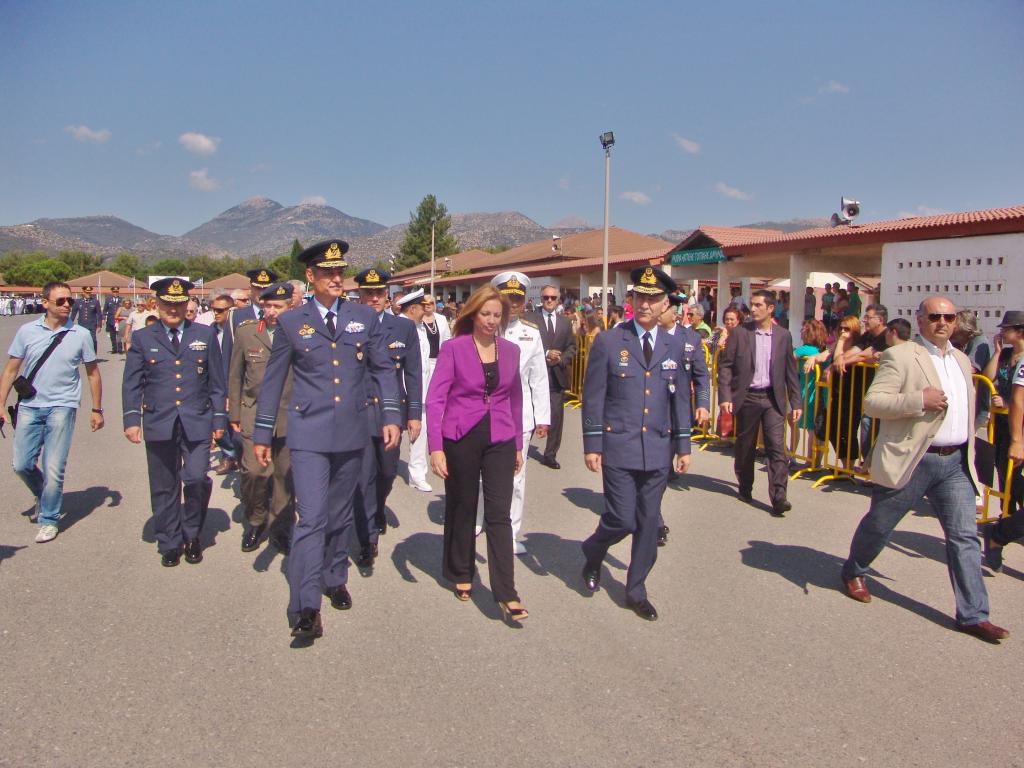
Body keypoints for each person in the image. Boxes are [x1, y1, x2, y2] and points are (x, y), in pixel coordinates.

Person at [252, 240, 399, 642]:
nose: (337, 278)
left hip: (351, 431)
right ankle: (304, 606)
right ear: (310, 278)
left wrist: (391, 415)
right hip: (309, 434)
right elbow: (273, 381)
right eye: (327, 272)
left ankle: (335, 577)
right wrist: (263, 431)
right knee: (312, 517)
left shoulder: (362, 319)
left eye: (340, 272)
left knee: (339, 516)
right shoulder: (291, 322)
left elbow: (384, 370)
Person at [841, 295, 1009, 644]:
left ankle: (974, 615)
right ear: (920, 321)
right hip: (914, 459)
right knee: (880, 524)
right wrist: (919, 400)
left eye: (949, 317)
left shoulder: (962, 360)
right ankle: (854, 569)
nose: (943, 322)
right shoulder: (900, 356)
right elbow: (874, 402)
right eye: (935, 316)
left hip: (954, 464)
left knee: (963, 538)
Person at [580, 267, 698, 621]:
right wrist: (592, 443)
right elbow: (594, 395)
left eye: (653, 299)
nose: (645, 305)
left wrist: (684, 446)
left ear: (665, 304)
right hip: (619, 444)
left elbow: (679, 400)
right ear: (631, 301)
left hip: (658, 448)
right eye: (640, 297)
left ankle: (636, 589)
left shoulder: (674, 344)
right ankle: (594, 549)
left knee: (648, 523)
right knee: (621, 518)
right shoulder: (610, 341)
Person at [427, 285, 527, 623]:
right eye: (485, 314)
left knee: (499, 511)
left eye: (497, 315)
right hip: (460, 435)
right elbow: (436, 399)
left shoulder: (511, 351)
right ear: (473, 314)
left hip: (499, 434)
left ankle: (506, 592)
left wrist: (517, 444)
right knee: (463, 505)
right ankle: (460, 570)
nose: (491, 320)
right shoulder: (454, 349)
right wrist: (435, 447)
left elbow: (515, 399)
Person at [122, 278, 226, 567]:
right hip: (159, 420)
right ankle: (169, 540)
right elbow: (132, 383)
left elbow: (217, 383)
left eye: (179, 303)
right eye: (168, 303)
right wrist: (132, 419)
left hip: (197, 420)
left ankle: (192, 533)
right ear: (158, 303)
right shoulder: (144, 338)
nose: (174, 309)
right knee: (164, 485)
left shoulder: (203, 335)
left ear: (186, 304)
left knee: (194, 478)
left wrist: (219, 418)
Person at [0, 281, 104, 543]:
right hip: (30, 406)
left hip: (63, 405)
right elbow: (11, 370)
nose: (68, 304)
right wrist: (0, 404)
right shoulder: (26, 331)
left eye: (70, 300)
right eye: (61, 301)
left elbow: (93, 373)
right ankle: (42, 492)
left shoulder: (80, 334)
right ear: (45, 303)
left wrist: (96, 409)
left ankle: (49, 518)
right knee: (21, 464)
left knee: (54, 466)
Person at [473, 272, 550, 555]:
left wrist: (543, 417)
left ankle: (511, 531)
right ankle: (477, 518)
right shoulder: (483, 327)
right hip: (480, 412)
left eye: (518, 298)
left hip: (518, 417)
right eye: (508, 297)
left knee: (516, 478)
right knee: (479, 472)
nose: (514, 303)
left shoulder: (531, 334)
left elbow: (538, 378)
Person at [351, 267, 422, 571]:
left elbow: (413, 373)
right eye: (368, 293)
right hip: (359, 413)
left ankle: (377, 509)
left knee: (387, 473)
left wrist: (415, 414)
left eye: (379, 293)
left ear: (388, 296)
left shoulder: (403, 328)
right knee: (363, 476)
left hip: (392, 412)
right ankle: (367, 539)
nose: (374, 298)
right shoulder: (349, 326)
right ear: (360, 295)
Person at [717, 290, 802, 516]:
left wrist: (797, 402)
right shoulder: (740, 333)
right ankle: (745, 486)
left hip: (773, 399)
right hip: (748, 398)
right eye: (752, 305)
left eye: (757, 305)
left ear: (770, 308)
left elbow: (791, 373)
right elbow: (725, 367)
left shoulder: (783, 336)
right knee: (746, 447)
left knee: (776, 448)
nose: (752, 309)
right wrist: (725, 397)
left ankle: (779, 496)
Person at [229, 282, 295, 554]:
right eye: (267, 306)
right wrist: (233, 412)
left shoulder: (298, 334)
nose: (271, 311)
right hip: (254, 413)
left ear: (290, 307)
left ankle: (280, 527)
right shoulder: (247, 334)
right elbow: (234, 376)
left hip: (289, 415)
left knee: (284, 477)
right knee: (254, 472)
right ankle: (256, 520)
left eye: (277, 306)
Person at [981, 311, 1024, 572]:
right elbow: (1017, 397)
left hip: (1015, 430)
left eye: (1006, 329)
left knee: (1017, 486)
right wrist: (997, 352)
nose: (1002, 333)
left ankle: (1001, 531)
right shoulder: (1008, 356)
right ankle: (1001, 531)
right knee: (1010, 481)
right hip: (1011, 430)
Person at [408, 293, 452, 492]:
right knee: (418, 422)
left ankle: (419, 471)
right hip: (418, 373)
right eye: (424, 304)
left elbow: (447, 345)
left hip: (437, 368)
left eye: (432, 303)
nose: (428, 306)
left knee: (430, 421)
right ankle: (416, 471)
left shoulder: (441, 320)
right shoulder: (411, 323)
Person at [532, 284, 576, 469]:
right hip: (534, 375)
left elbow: (572, 346)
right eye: (545, 298)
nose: (549, 301)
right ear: (540, 299)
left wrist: (562, 358)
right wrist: (546, 352)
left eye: (553, 298)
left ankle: (550, 454)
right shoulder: (529, 319)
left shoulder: (565, 322)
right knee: (528, 414)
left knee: (556, 417)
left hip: (556, 375)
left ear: (558, 300)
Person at [207, 291, 238, 475]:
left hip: (232, 381)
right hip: (214, 384)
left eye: (220, 310)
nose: (216, 313)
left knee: (234, 425)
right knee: (217, 422)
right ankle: (229, 454)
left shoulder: (238, 331)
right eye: (213, 310)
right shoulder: (209, 331)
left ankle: (236, 455)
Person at [70, 285, 102, 354]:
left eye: (89, 292)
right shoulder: (78, 302)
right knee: (82, 340)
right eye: (87, 292)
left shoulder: (95, 301)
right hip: (82, 324)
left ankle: (93, 355)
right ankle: (83, 356)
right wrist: (69, 323)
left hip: (92, 324)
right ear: (83, 292)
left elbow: (99, 314)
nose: (88, 294)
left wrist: (99, 325)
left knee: (93, 340)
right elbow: (73, 314)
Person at [103, 287, 122, 354]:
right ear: (112, 292)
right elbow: (105, 310)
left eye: (117, 291)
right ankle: (114, 349)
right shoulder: (108, 300)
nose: (115, 293)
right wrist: (103, 318)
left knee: (119, 335)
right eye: (114, 292)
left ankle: (120, 349)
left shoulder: (121, 299)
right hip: (111, 319)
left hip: (119, 319)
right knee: (112, 335)